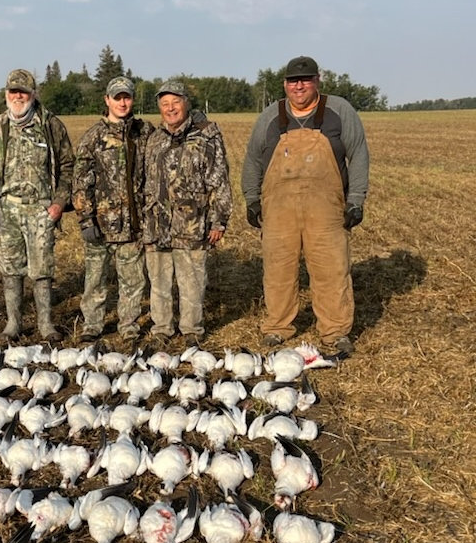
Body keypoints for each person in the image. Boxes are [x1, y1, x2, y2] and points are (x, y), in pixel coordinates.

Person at [241, 55, 369, 357]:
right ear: (284, 84)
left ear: (317, 81)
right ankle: (277, 327)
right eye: (293, 81)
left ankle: (335, 332)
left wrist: (356, 200)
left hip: (326, 209)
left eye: (305, 80)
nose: (299, 86)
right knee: (278, 270)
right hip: (279, 209)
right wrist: (252, 199)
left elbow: (358, 155)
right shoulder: (270, 116)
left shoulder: (339, 111)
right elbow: (253, 159)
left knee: (331, 270)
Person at [0, 69, 74, 343]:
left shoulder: (51, 125)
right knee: (10, 268)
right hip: (7, 209)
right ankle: (14, 323)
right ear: (6, 94)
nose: (18, 96)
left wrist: (59, 202)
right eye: (13, 91)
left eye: (23, 92)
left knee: (42, 270)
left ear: (33, 94)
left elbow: (68, 166)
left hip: (41, 209)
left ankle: (45, 324)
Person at [141, 79, 232, 346]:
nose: (170, 108)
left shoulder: (206, 136)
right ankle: (161, 330)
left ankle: (192, 331)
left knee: (192, 282)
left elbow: (219, 180)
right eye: (165, 104)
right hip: (157, 225)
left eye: (175, 102)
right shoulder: (155, 138)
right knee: (159, 283)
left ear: (186, 103)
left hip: (192, 224)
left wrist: (219, 220)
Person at [72, 76, 153, 343]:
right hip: (101, 224)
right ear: (107, 100)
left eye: (126, 97)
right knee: (95, 279)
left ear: (133, 99)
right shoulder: (93, 137)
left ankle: (128, 325)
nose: (122, 102)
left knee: (133, 280)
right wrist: (86, 220)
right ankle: (92, 324)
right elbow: (81, 182)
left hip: (134, 224)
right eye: (117, 97)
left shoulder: (144, 132)